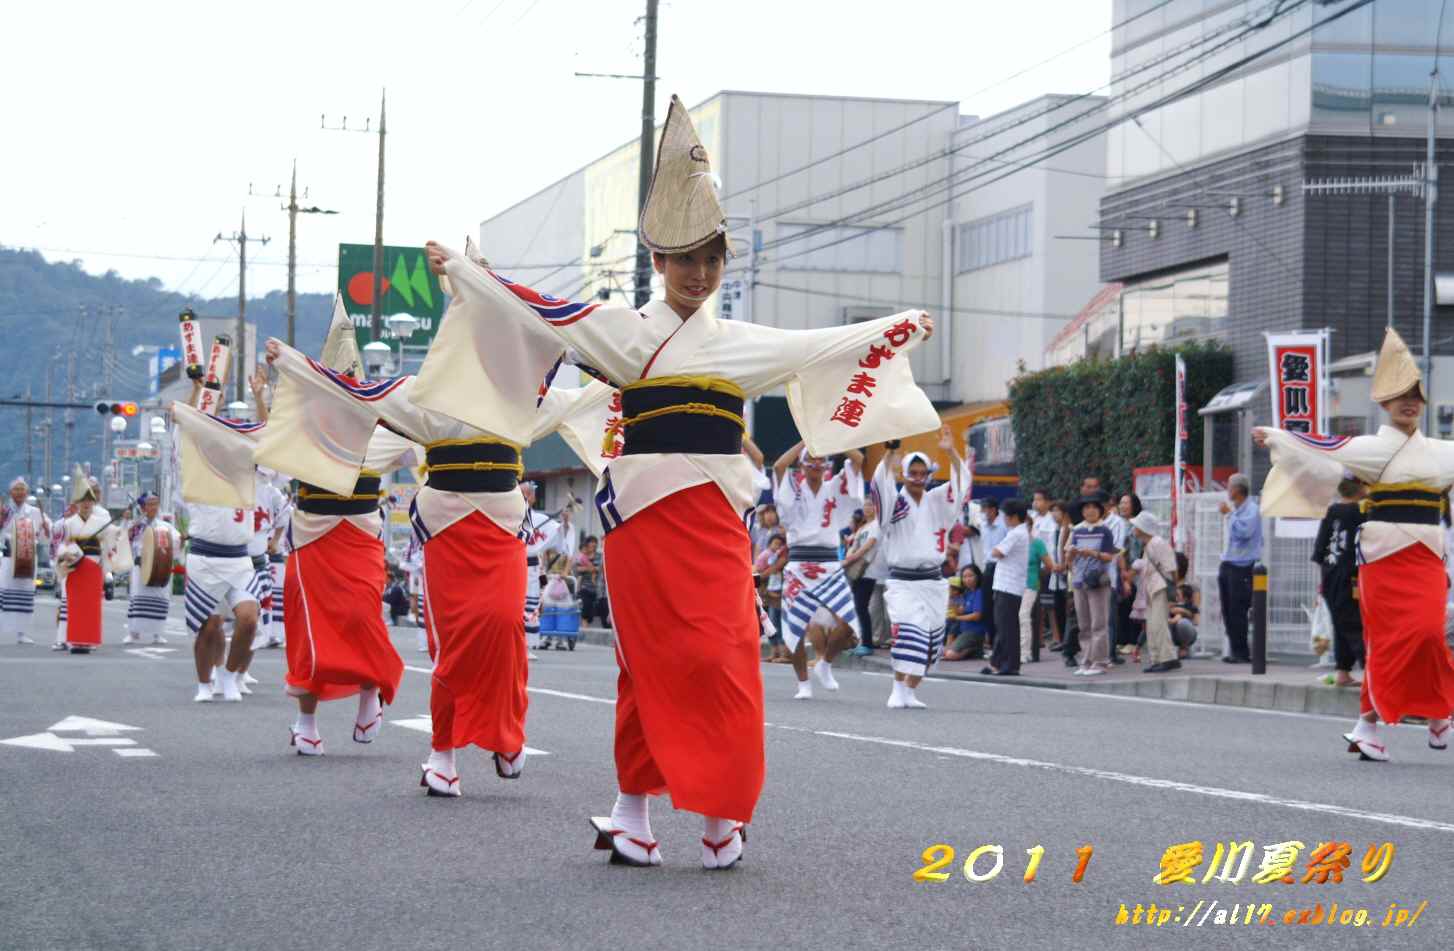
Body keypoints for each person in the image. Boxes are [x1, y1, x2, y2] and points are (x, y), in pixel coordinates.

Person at [420, 96, 940, 868]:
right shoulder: (625, 331)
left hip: (716, 525)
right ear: (657, 261)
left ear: (725, 262)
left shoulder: (740, 343)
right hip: (642, 527)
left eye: (712, 258)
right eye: (684, 258)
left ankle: (718, 814)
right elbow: (542, 312)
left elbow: (817, 344)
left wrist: (892, 327)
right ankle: (634, 814)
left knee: (726, 658)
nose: (699, 273)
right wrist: (468, 274)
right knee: (646, 664)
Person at [259, 335, 612, 793]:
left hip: (500, 527)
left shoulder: (521, 400)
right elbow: (351, 394)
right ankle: (441, 754)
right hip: (443, 530)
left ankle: (505, 733)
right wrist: (289, 362)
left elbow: (588, 395)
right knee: (453, 646)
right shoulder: (420, 397)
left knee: (505, 627)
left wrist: (594, 354)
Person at [1255, 327, 1454, 760]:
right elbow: (1319, 447)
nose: (1410, 403)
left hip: (1427, 558)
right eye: (1401, 395)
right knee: (1386, 641)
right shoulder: (1367, 447)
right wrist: (1277, 436)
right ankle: (1372, 725)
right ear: (1383, 402)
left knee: (1428, 634)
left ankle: (1432, 710)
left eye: (1416, 396)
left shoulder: (1443, 453)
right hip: (1382, 558)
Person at [282, 428, 415, 757]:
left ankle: (371, 687)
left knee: (362, 616)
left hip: (360, 535)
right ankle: (306, 722)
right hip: (312, 535)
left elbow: (424, 444)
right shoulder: (305, 432)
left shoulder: (381, 432)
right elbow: (266, 444)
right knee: (308, 634)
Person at [871, 428, 969, 708]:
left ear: (928, 474)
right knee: (910, 633)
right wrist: (890, 453)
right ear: (903, 474)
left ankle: (909, 690)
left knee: (931, 644)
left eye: (922, 472)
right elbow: (881, 486)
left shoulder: (937, 499)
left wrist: (950, 451)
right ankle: (897, 687)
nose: (917, 478)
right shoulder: (896, 504)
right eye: (911, 472)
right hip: (903, 582)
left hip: (934, 582)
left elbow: (961, 486)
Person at [771, 440, 865, 700]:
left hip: (829, 564)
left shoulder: (834, 486)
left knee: (848, 624)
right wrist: (806, 440)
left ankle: (825, 663)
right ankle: (803, 684)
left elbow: (858, 461)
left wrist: (837, 437)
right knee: (795, 629)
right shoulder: (794, 488)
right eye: (810, 460)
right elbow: (779, 466)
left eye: (820, 460)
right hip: (799, 564)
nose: (816, 465)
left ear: (826, 465)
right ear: (802, 465)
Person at [54, 475, 123, 652]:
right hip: (76, 565)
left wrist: (121, 527)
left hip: (93, 565)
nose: (86, 504)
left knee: (91, 606)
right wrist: (65, 555)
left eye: (89, 501)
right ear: (77, 503)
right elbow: (63, 544)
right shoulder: (68, 523)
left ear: (93, 503)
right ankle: (74, 640)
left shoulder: (102, 522)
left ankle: (88, 640)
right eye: (83, 501)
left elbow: (111, 542)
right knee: (75, 604)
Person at [1312, 478, 1366, 688]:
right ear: (1360, 488)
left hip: (1329, 575)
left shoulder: (1331, 511)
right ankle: (1370, 670)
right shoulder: (1360, 513)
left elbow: (1319, 550)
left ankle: (1343, 672)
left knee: (1340, 624)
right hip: (1350, 577)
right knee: (1354, 625)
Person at [522, 485, 576, 652]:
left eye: (529, 493)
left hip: (531, 567)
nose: (526, 496)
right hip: (511, 564)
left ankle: (527, 646)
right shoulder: (510, 516)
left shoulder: (539, 519)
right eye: (524, 493)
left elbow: (559, 533)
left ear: (533, 498)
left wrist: (565, 523)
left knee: (531, 606)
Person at [1067, 492, 1116, 676]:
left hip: (1097, 581)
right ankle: (1086, 660)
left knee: (1099, 623)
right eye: (1086, 508)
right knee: (1084, 624)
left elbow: (1109, 556)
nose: (1089, 511)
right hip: (1079, 581)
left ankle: (1100, 661)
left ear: (1100, 511)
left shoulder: (1105, 531)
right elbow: (1069, 557)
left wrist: (1093, 553)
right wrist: (1071, 554)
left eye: (1093, 507)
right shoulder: (1077, 530)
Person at [1217, 473, 1262, 664]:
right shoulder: (1236, 509)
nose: (1227, 490)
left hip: (1242, 566)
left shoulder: (1251, 509)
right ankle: (1235, 650)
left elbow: (1245, 533)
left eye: (1229, 486)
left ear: (1237, 489)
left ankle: (1242, 652)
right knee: (1227, 609)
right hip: (1228, 563)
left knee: (1238, 610)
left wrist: (1229, 515)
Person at [121, 493, 177, 646]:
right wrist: (126, 521)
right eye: (150, 504)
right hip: (141, 567)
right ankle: (133, 633)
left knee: (160, 599)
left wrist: (181, 541)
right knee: (137, 598)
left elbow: (175, 542)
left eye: (155, 503)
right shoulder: (137, 525)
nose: (153, 507)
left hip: (159, 566)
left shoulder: (165, 526)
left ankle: (157, 634)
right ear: (143, 507)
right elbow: (123, 539)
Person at [1, 477, 50, 645]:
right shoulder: (4, 511)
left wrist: (45, 528)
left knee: (25, 593)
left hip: (28, 557)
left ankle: (22, 632)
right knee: (5, 591)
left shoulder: (35, 512)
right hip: (9, 556)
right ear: (10, 492)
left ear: (27, 492)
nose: (19, 492)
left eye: (22, 489)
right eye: (16, 489)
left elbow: (45, 535)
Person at [1129, 511, 1179, 673]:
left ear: (1143, 528)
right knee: (1152, 625)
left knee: (1158, 624)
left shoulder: (1156, 543)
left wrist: (1174, 589)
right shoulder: (1149, 544)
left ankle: (1167, 658)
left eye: (1136, 525)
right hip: (1152, 588)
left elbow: (1171, 568)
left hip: (1160, 587)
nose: (1134, 528)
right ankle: (1157, 659)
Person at [985, 497, 1029, 676]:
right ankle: (996, 663)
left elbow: (997, 552)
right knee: (1003, 625)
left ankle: (1011, 664)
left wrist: (993, 550)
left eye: (1005, 515)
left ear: (1014, 517)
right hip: (1007, 584)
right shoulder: (1018, 531)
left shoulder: (1016, 533)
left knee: (1007, 627)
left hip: (1009, 586)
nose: (1003, 518)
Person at [844, 497, 882, 656]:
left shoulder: (876, 525)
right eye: (865, 505)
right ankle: (862, 641)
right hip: (856, 571)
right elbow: (852, 546)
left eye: (871, 505)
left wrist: (849, 559)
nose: (867, 508)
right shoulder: (863, 526)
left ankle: (867, 643)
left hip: (867, 571)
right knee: (858, 608)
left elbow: (869, 545)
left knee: (862, 607)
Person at [975, 497, 1005, 648]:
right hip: (987, 567)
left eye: (984, 509)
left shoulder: (1004, 524)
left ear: (993, 510)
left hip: (1002, 567)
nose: (982, 512)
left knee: (1001, 604)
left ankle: (1002, 639)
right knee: (987, 604)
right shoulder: (982, 525)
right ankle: (992, 639)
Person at [941, 564, 986, 661]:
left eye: (971, 576)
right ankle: (973, 651)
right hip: (961, 631)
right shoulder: (966, 593)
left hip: (974, 633)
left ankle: (974, 648)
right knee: (943, 651)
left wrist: (956, 617)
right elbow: (961, 610)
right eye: (964, 577)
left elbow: (976, 616)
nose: (967, 579)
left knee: (950, 655)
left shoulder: (979, 592)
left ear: (977, 576)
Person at [1169, 551, 1200, 657]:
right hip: (1167, 623)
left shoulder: (1192, 587)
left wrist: (1182, 611)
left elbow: (1195, 618)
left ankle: (1184, 647)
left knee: (1182, 623)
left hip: (1185, 626)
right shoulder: (1165, 585)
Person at [573, 535, 606, 626]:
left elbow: (598, 568)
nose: (593, 546)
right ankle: (585, 631)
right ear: (587, 545)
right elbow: (576, 570)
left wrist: (584, 568)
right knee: (586, 609)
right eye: (591, 544)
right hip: (584, 587)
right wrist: (590, 568)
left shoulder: (599, 556)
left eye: (595, 544)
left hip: (598, 589)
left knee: (593, 613)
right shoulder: (582, 556)